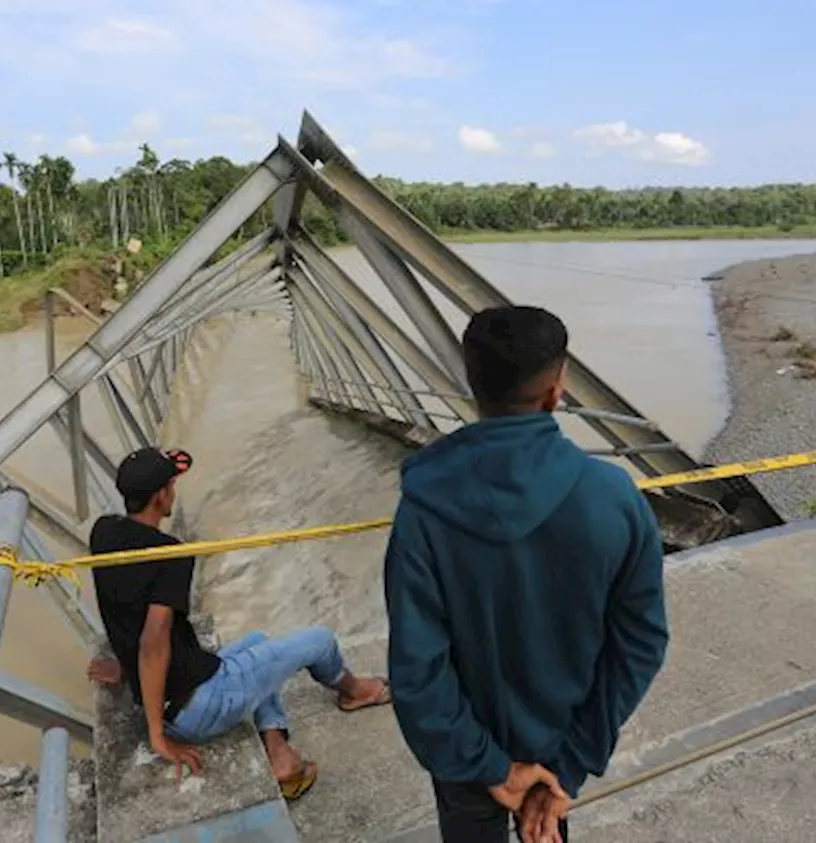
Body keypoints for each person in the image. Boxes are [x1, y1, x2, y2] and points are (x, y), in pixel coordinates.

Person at [383, 306, 669, 842]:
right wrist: (572, 760)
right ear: (555, 390)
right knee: (548, 831)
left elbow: (417, 670)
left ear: (472, 384)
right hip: (561, 740)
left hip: (467, 763)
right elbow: (641, 642)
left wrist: (491, 766)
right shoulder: (614, 498)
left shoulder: (423, 511)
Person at [86, 446, 392, 801]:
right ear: (161, 496)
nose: (174, 492)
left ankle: (280, 755)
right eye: (172, 485)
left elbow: (120, 605)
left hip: (175, 698)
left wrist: (126, 669)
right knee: (320, 641)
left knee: (259, 641)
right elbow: (153, 642)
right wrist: (157, 735)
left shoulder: (103, 533)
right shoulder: (169, 555)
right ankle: (356, 692)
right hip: (200, 706)